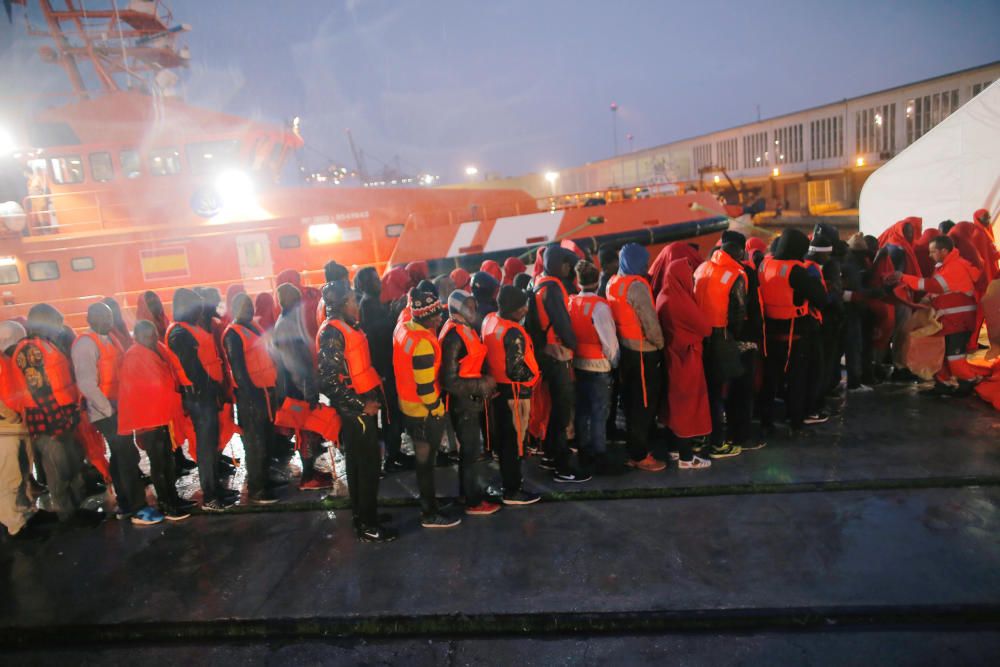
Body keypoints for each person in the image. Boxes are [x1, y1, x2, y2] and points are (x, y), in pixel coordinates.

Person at [317, 281, 396, 542]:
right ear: (341, 303)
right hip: (357, 411)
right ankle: (368, 525)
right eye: (352, 299)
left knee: (363, 465)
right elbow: (328, 381)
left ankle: (365, 515)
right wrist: (362, 405)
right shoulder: (332, 332)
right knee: (366, 466)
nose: (356, 304)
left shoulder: (346, 326)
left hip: (363, 406)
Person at [72, 302, 163, 525]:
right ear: (90, 319)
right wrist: (108, 409)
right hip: (105, 410)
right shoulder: (86, 344)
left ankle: (125, 503)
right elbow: (86, 383)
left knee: (121, 454)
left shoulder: (109, 338)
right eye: (103, 317)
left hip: (118, 406)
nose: (108, 321)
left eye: (110, 317)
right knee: (126, 454)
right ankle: (136, 508)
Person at [9, 305, 90, 523]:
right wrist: (60, 423)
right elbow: (40, 391)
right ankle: (66, 515)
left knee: (71, 465)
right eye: (56, 323)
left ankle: (76, 510)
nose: (60, 328)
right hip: (49, 421)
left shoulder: (45, 345)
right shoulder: (30, 350)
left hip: (60, 417)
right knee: (58, 469)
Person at [393, 288, 459, 527]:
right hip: (423, 411)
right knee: (425, 463)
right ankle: (429, 513)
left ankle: (429, 505)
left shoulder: (403, 329)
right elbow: (425, 387)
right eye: (436, 315)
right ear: (424, 317)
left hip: (407, 405)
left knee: (424, 463)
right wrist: (437, 408)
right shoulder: (422, 344)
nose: (440, 318)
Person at [526, 244, 590, 482]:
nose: (568, 268)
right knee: (562, 411)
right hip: (558, 355)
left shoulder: (538, 283)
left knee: (553, 409)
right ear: (555, 263)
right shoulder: (552, 288)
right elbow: (562, 323)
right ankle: (562, 466)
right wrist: (574, 345)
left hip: (545, 354)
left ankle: (550, 454)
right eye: (565, 263)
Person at [118, 320, 193, 521]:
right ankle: (167, 504)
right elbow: (151, 389)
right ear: (137, 338)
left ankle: (173, 498)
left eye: (153, 336)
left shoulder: (156, 351)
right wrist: (179, 399)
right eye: (146, 336)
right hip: (149, 421)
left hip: (162, 417)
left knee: (168, 461)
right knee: (159, 464)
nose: (151, 340)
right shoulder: (135, 357)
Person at [166, 288, 233, 511]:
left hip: (208, 395)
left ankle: (216, 488)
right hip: (199, 397)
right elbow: (192, 368)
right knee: (205, 447)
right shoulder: (179, 333)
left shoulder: (191, 329)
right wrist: (212, 387)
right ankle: (210, 495)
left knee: (212, 444)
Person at [757, 230, 828, 436]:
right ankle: (796, 423)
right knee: (797, 380)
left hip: (768, 332)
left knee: (770, 380)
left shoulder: (764, 264)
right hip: (794, 334)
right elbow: (820, 298)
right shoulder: (797, 271)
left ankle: (766, 421)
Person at [896, 235, 983, 396]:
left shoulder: (954, 267)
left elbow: (935, 285)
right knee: (941, 354)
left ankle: (969, 380)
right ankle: (944, 382)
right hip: (950, 319)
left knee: (954, 356)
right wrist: (927, 297)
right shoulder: (946, 266)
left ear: (944, 251)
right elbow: (939, 288)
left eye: (933, 251)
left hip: (958, 320)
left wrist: (903, 278)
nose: (930, 255)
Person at [439, 290, 501, 515]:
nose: (474, 310)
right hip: (463, 403)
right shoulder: (454, 336)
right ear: (458, 309)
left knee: (471, 451)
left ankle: (470, 493)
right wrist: (481, 384)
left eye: (474, 305)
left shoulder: (463, 330)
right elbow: (448, 380)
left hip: (470, 400)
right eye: (469, 306)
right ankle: (474, 502)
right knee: (471, 451)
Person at [607, 243, 666, 471]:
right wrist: (661, 344)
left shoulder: (614, 283)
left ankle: (636, 449)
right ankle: (639, 455)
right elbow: (650, 323)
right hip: (644, 353)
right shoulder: (637, 287)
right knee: (643, 405)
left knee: (631, 403)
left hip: (625, 351)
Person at [482, 286, 541, 504]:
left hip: (497, 389)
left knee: (505, 440)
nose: (526, 310)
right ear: (513, 309)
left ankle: (509, 483)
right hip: (515, 393)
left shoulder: (489, 320)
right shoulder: (513, 332)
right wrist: (534, 377)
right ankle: (513, 490)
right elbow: (516, 370)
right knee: (514, 442)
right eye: (522, 306)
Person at [271, 283, 332, 491]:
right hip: (298, 388)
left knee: (306, 431)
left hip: (294, 386)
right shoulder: (288, 325)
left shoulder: (285, 321)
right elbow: (296, 364)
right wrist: (309, 393)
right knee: (306, 431)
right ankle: (308, 477)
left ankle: (310, 472)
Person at [222, 293, 279, 505]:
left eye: (250, 305)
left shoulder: (253, 327)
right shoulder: (233, 334)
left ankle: (265, 479)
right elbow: (238, 371)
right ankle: (257, 488)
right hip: (252, 397)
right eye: (243, 305)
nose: (248, 309)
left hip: (266, 392)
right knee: (255, 443)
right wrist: (253, 394)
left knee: (266, 439)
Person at [693, 237, 748, 458]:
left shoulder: (702, 267)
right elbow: (738, 312)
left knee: (702, 391)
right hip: (720, 336)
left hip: (698, 336)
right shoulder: (736, 275)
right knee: (717, 392)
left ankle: (699, 438)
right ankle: (718, 443)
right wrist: (736, 336)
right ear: (739, 254)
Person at [355, 266, 412, 472]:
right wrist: (393, 314)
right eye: (374, 280)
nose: (379, 283)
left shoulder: (373, 303)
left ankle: (394, 453)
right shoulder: (367, 304)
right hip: (383, 370)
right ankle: (392, 457)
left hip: (386, 367)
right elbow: (376, 332)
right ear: (364, 285)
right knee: (391, 414)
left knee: (393, 414)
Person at [656, 260, 712, 469]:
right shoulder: (681, 301)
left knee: (672, 404)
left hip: (671, 356)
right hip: (687, 359)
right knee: (687, 407)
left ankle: (673, 449)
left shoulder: (663, 295)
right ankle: (687, 458)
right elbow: (705, 328)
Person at [568, 260, 619, 474]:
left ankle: (583, 450)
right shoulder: (599, 306)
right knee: (599, 412)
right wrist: (615, 363)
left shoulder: (571, 303)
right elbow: (609, 342)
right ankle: (600, 454)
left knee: (582, 411)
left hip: (577, 364)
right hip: (599, 366)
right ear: (598, 281)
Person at [0, 321, 36, 537]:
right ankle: (14, 525)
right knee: (9, 477)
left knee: (22, 472)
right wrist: (9, 414)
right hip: (7, 427)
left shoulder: (7, 360)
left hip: (16, 425)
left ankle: (25, 512)